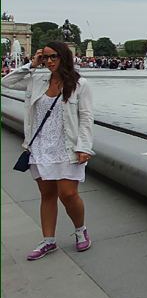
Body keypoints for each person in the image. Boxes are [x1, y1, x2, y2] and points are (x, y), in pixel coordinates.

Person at [1, 41, 95, 260]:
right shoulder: (37, 80)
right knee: (47, 194)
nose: (49, 61)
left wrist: (84, 146)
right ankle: (48, 240)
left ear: (64, 57)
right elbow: (7, 82)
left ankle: (80, 230)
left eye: (54, 57)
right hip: (41, 146)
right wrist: (30, 65)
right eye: (46, 57)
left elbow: (87, 118)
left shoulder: (81, 85)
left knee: (68, 194)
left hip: (68, 146)